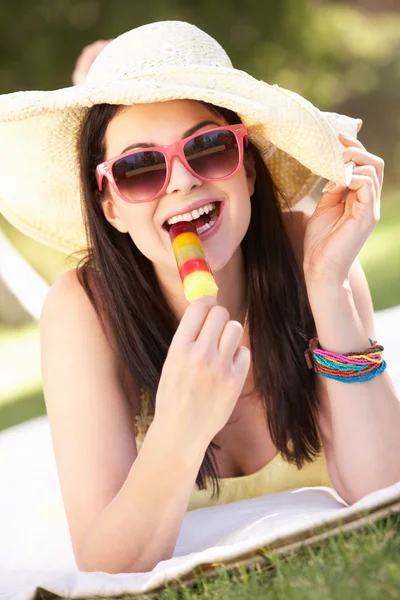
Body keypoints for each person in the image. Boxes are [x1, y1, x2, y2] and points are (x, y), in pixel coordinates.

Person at [0, 20, 398, 575]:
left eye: (208, 147)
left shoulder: (315, 250)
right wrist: (181, 424)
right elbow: (107, 565)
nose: (182, 182)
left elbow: (384, 491)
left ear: (250, 170)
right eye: (139, 168)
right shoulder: (84, 311)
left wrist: (328, 289)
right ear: (110, 207)